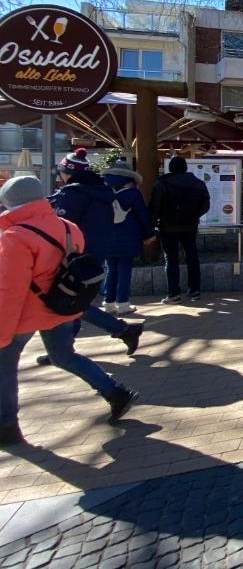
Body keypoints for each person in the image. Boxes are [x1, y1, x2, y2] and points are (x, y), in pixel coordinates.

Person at [0, 176, 139, 444]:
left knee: (5, 366)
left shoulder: (16, 236)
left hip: (27, 311)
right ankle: (114, 391)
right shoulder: (67, 226)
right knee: (65, 356)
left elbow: (10, 289)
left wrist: (3, 329)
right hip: (62, 304)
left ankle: (6, 423)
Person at [47, 149, 143, 358]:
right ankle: (64, 348)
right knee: (73, 300)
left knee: (70, 301)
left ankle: (64, 349)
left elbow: (59, 223)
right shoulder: (102, 191)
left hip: (74, 254)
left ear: (67, 171)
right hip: (98, 249)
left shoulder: (73, 194)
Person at [149, 156, 210, 303]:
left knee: (171, 259)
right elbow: (205, 205)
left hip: (167, 226)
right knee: (192, 256)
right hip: (190, 225)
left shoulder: (161, 184)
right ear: (185, 168)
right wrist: (194, 215)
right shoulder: (198, 184)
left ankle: (173, 293)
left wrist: (152, 223)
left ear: (170, 168)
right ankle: (194, 290)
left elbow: (154, 207)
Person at [101, 160, 156, 314]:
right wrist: (149, 235)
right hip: (128, 237)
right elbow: (142, 216)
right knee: (124, 269)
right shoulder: (133, 193)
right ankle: (123, 302)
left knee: (111, 269)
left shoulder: (103, 191)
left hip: (107, 237)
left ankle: (109, 302)